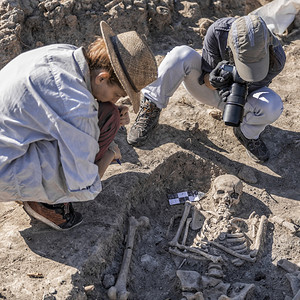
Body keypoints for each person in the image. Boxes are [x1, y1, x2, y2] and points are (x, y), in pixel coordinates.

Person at [0, 21, 157, 230]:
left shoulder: (65, 53)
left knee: (108, 115)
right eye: (117, 95)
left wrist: (108, 113)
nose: (116, 101)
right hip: (5, 168)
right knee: (106, 121)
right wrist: (110, 153)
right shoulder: (77, 106)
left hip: (8, 143)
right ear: (102, 78)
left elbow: (59, 107)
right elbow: (84, 185)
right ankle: (48, 204)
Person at [127, 15, 286, 163]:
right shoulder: (218, 32)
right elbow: (205, 81)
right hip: (208, 90)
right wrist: (214, 80)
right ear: (230, 47)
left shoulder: (276, 58)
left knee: (272, 105)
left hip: (243, 100)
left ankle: (247, 133)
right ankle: (151, 108)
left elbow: (253, 91)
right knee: (181, 54)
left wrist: (233, 91)